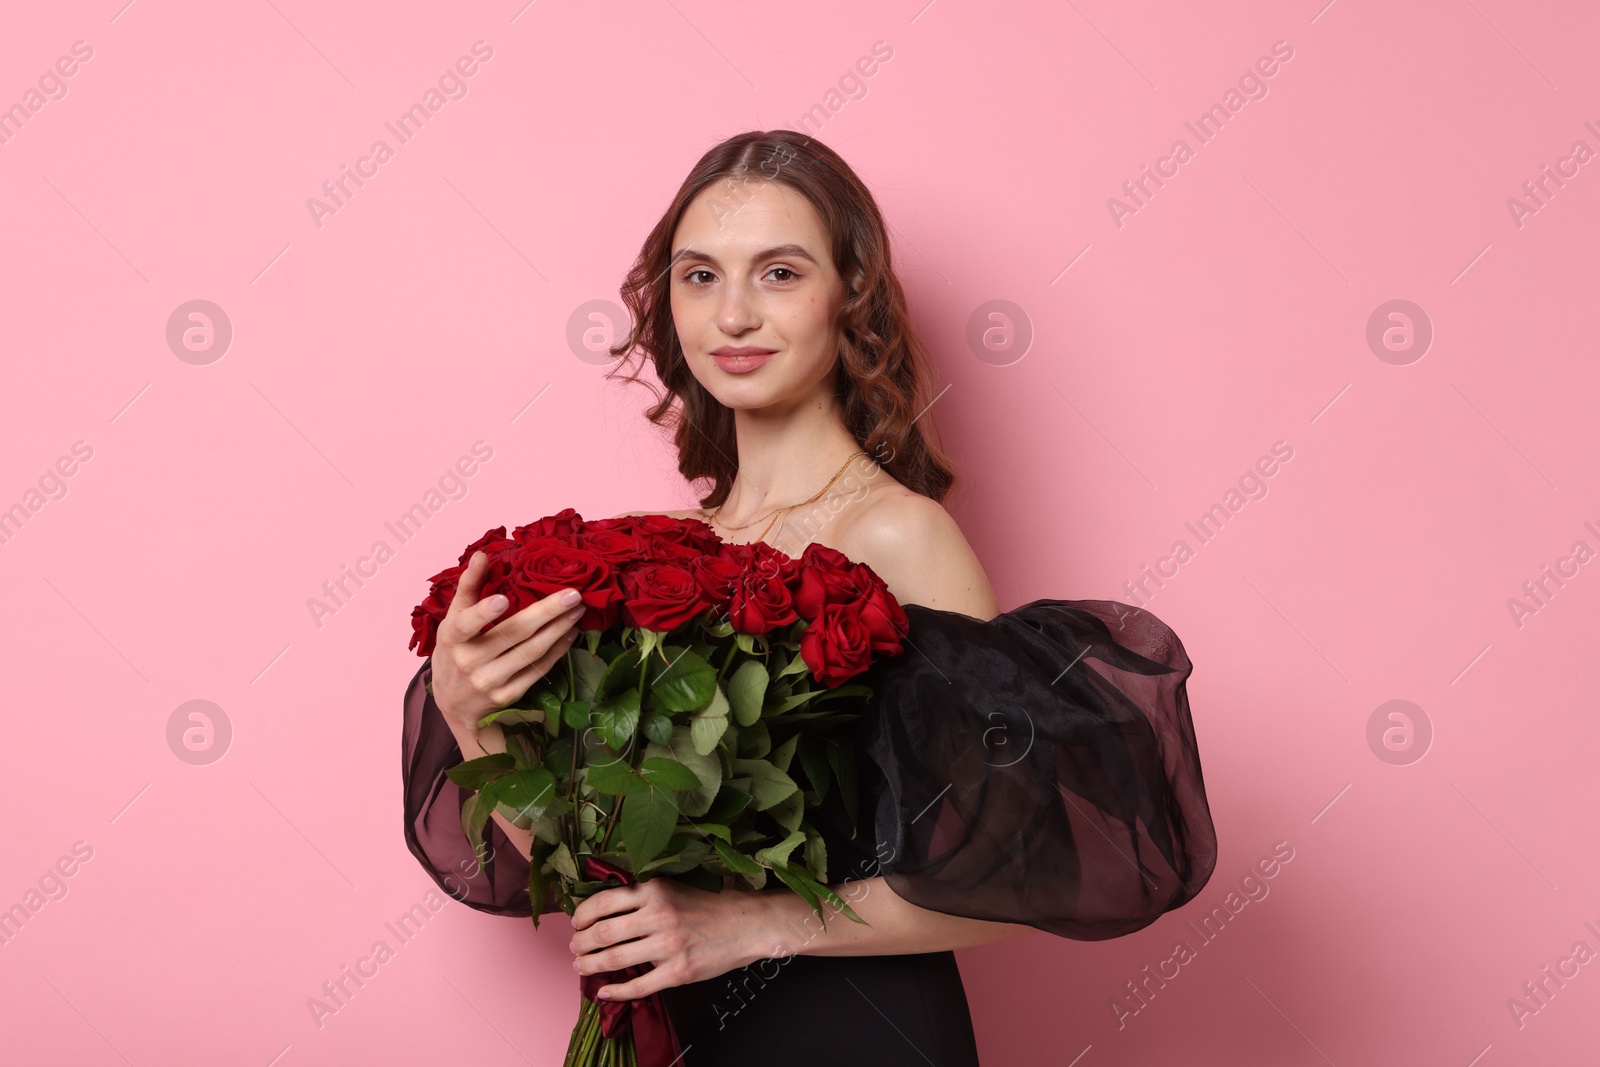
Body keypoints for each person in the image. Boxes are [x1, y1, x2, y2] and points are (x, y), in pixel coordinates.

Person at [402, 130, 1217, 1065]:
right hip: (668, 1030)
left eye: (779, 273)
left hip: (858, 1030)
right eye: (699, 276)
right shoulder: (650, 557)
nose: (733, 314)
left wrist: (747, 925)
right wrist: (472, 720)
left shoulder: (897, 535)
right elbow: (583, 865)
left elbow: (1020, 871)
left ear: (851, 299)